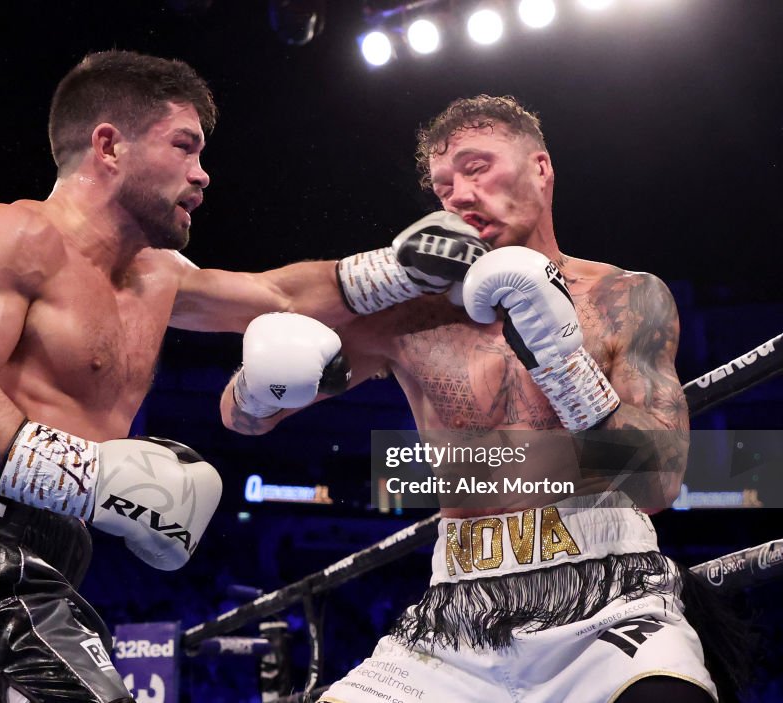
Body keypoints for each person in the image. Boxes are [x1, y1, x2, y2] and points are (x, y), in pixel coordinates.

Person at [0, 50, 478, 703]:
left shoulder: (160, 278)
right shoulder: (14, 234)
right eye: (184, 146)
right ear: (109, 145)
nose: (203, 173)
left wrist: (396, 269)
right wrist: (94, 477)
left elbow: (277, 292)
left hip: (33, 573)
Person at [221, 96, 722, 702]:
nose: (457, 193)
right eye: (442, 184)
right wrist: (262, 378)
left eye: (476, 166)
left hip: (612, 601)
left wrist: (561, 359)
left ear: (541, 168)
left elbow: (660, 482)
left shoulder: (626, 297)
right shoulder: (410, 318)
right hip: (455, 617)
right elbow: (244, 418)